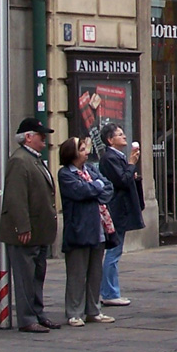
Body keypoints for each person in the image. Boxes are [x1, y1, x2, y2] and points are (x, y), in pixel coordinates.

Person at [0, 118, 60, 332]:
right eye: (40, 135)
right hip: (26, 231)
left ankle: (37, 312)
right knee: (25, 276)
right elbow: (16, 197)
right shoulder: (20, 160)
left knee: (37, 275)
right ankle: (27, 318)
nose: (44, 140)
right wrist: (22, 226)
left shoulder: (34, 159)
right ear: (28, 137)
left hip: (40, 231)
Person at [58, 137, 116, 326]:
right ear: (72, 154)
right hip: (79, 230)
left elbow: (108, 188)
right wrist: (95, 188)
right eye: (82, 149)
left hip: (98, 228)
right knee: (77, 273)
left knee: (95, 273)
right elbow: (80, 192)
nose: (86, 152)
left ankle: (93, 310)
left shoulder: (91, 169)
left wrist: (95, 190)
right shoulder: (66, 174)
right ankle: (74, 312)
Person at [98, 123, 145, 307]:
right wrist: (132, 164)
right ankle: (109, 292)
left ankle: (110, 290)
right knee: (113, 253)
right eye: (119, 134)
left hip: (121, 210)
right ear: (110, 140)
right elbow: (122, 180)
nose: (124, 136)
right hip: (117, 210)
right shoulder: (109, 159)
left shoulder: (117, 157)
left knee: (115, 252)